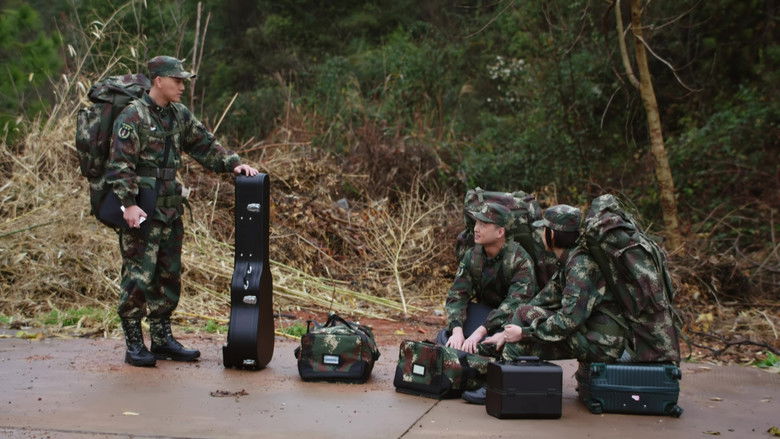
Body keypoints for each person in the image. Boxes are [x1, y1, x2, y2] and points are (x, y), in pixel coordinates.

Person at [106, 55, 259, 367]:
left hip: (170, 211)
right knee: (137, 276)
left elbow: (204, 145)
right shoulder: (132, 117)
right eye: (177, 81)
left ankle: (162, 339)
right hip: (142, 211)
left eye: (184, 81)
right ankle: (135, 343)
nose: (182, 86)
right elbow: (120, 167)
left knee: (168, 275)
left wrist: (234, 163)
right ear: (158, 81)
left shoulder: (178, 115)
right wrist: (129, 204)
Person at [462, 204, 626, 404]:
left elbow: (567, 322)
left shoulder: (581, 267)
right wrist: (502, 334)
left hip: (601, 343)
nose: (539, 234)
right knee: (524, 313)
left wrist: (523, 334)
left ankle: (497, 386)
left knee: (520, 345)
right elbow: (542, 300)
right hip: (587, 331)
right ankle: (491, 367)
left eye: (543, 229)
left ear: (553, 235)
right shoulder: (569, 259)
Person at [441, 202, 538, 354]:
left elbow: (514, 305)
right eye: (477, 222)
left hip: (512, 320)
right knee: (446, 339)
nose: (476, 229)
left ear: (500, 232)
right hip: (485, 314)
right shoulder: (472, 256)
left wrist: (479, 332)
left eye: (484, 224)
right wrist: (457, 330)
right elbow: (457, 296)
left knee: (495, 349)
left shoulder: (520, 260)